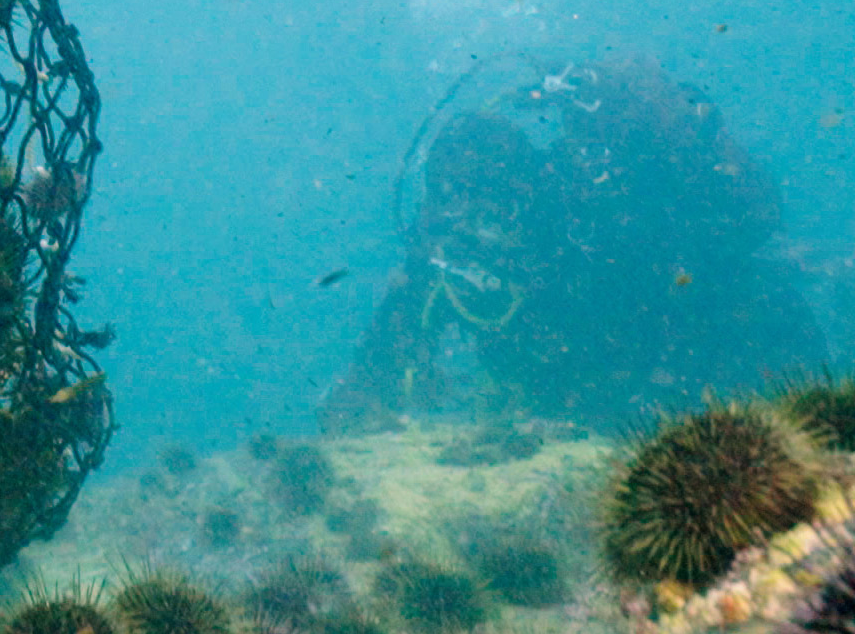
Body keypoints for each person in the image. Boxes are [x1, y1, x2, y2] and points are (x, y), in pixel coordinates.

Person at [329, 53, 828, 428]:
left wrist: (663, 114)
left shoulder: (591, 206)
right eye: (462, 204)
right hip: (601, 424)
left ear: (533, 183)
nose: (486, 226)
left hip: (727, 391)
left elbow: (743, 223)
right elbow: (370, 379)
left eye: (501, 201)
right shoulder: (444, 262)